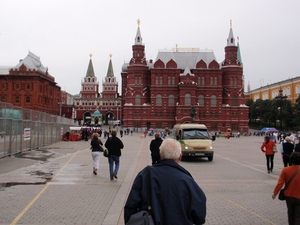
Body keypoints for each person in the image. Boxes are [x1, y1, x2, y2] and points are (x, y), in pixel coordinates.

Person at [124, 138, 206, 224]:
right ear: (180, 157)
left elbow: (131, 206)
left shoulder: (145, 175)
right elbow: (199, 216)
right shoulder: (187, 181)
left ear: (160, 155)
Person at [272, 152, 300, 225]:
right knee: (298, 215)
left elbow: (280, 183)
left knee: (290, 214)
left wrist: (275, 193)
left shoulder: (285, 170)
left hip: (289, 195)